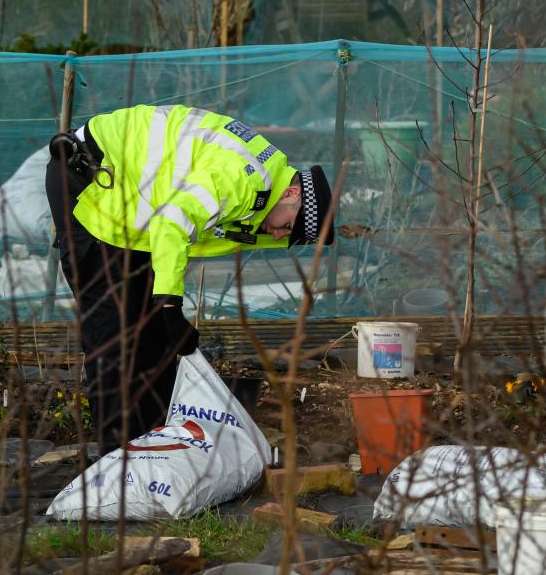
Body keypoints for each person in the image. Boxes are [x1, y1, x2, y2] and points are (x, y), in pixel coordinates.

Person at [45, 103, 334, 453]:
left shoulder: (264, 188)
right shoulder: (245, 180)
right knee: (112, 335)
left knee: (150, 337)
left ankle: (153, 448)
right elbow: (173, 220)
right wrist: (169, 303)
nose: (277, 236)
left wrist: (162, 312)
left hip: (130, 202)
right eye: (287, 227)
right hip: (91, 181)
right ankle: (118, 467)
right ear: (293, 194)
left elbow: (183, 230)